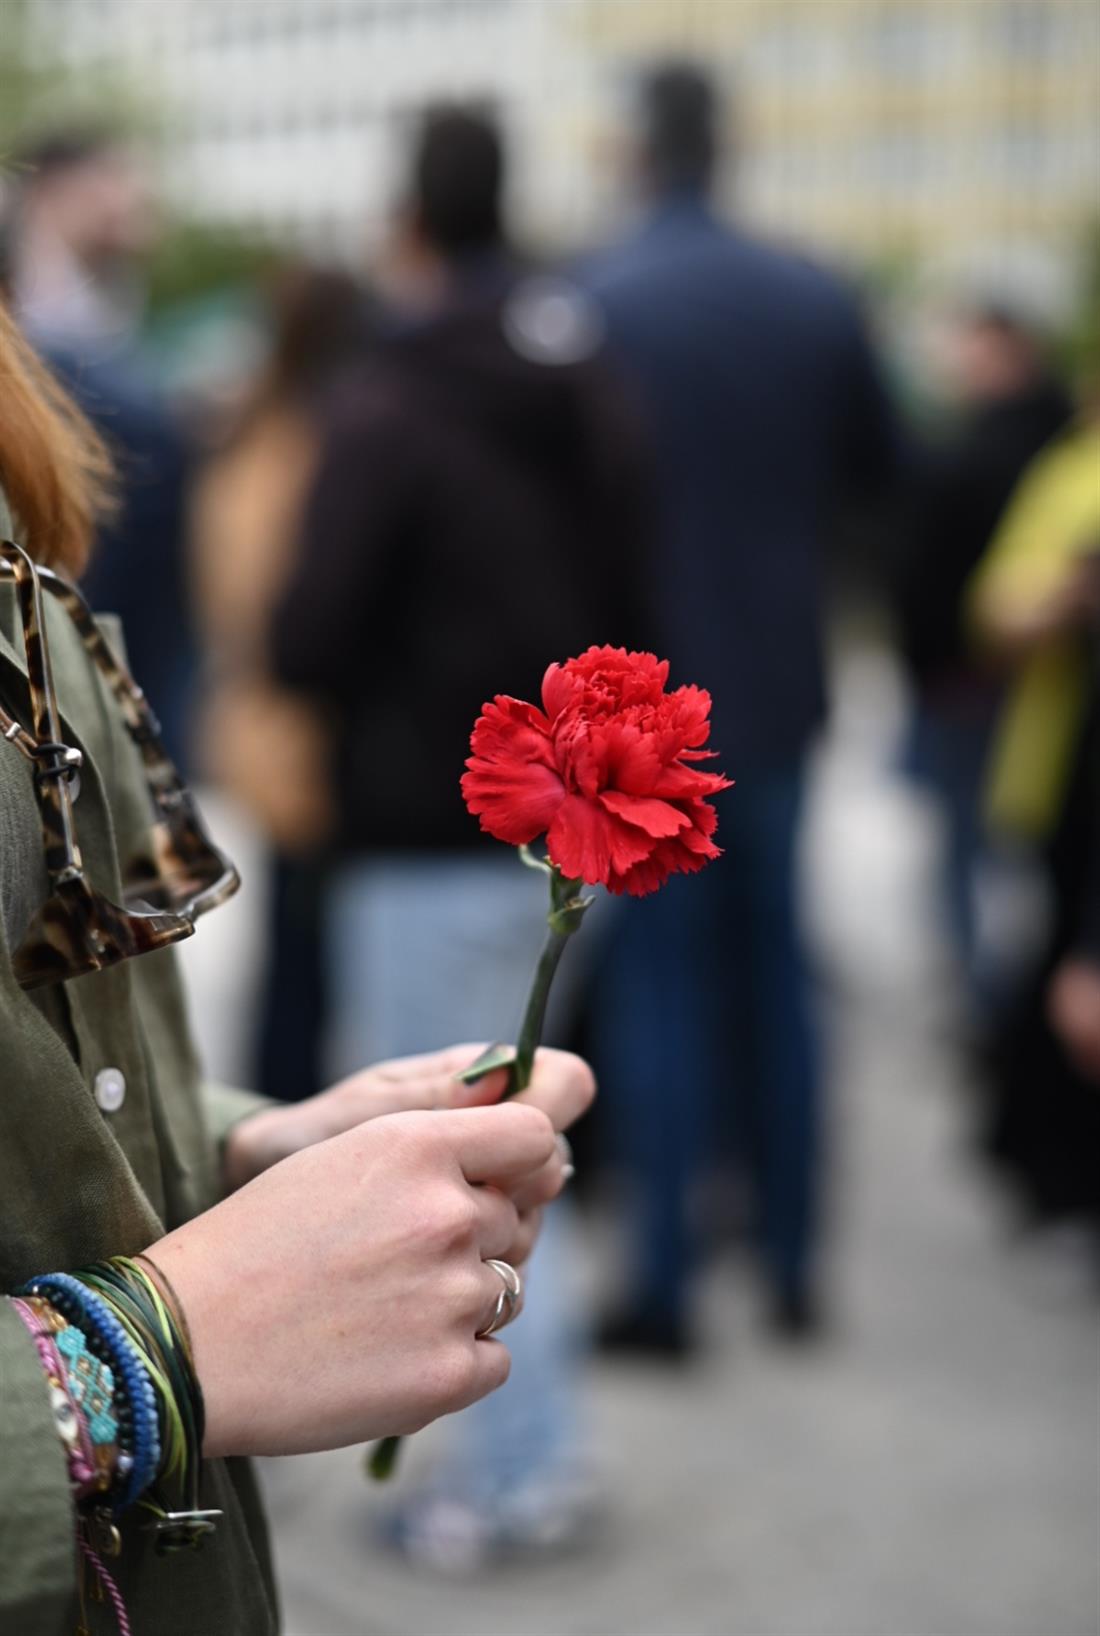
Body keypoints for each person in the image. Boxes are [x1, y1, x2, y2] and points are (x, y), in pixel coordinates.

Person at [0, 297, 593, 1635]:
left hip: (396, 820)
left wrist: (240, 1148)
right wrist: (139, 1361)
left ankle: (523, 1467)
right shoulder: (569, 393)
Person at [269, 105, 652, 1565]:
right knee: (520, 1150)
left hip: (432, 828)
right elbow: (645, 591)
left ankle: (495, 1478)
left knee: (448, 1172)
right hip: (595, 831)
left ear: (408, 223)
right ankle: (525, 1456)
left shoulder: (388, 397)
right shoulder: (593, 377)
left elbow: (309, 634)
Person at [581, 62, 898, 1348]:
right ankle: (788, 1259)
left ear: (634, 149)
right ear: (729, 144)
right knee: (778, 974)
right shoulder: (814, 294)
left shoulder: (594, 297)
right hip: (775, 687)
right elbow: (882, 477)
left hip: (647, 708)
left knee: (662, 985)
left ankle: (660, 1277)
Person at [191, 263, 371, 1101]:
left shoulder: (250, 439)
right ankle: (290, 1142)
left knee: (296, 965)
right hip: (305, 741)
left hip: (264, 731)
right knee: (307, 973)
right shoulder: (317, 447)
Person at [891, 301, 1071, 997]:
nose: (960, 363)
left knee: (971, 845)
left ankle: (986, 996)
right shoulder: (1047, 443)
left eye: (974, 348)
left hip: (973, 678)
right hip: (1009, 677)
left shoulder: (990, 449)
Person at [5, 130, 194, 764]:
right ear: (57, 192)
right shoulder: (56, 347)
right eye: (114, 184)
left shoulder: (105, 316)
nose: (135, 204)